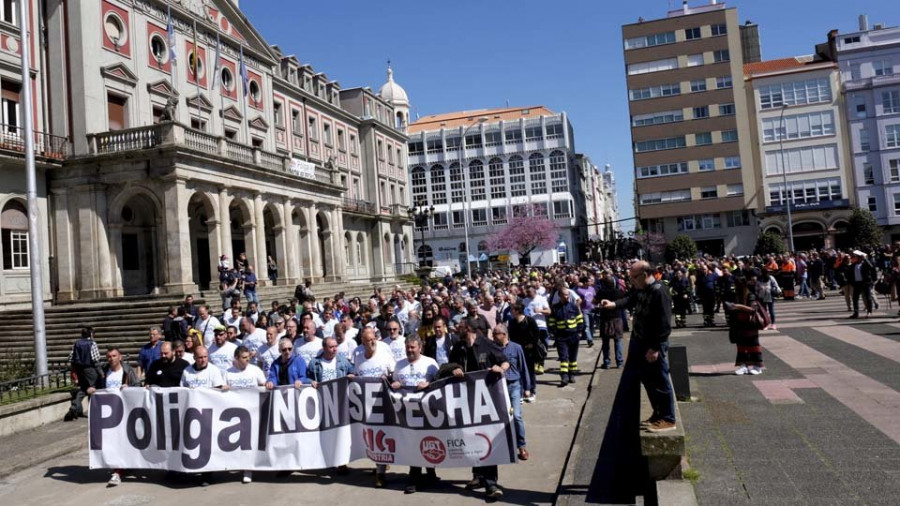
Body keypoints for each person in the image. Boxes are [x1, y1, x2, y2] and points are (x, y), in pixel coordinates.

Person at [600, 261, 677, 433]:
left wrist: (655, 348)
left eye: (633, 277)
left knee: (660, 380)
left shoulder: (659, 292)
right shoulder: (642, 289)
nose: (631, 281)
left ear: (644, 275)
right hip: (640, 341)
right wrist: (612, 304)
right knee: (648, 379)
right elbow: (630, 299)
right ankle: (658, 413)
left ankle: (668, 418)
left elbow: (664, 324)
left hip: (653, 344)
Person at [448, 325, 510, 500]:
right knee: (472, 438)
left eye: (460, 328)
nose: (457, 331)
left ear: (469, 330)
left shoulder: (486, 344)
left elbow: (505, 361)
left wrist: (501, 369)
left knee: (487, 438)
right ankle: (478, 476)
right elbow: (449, 364)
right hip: (466, 400)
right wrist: (454, 369)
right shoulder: (459, 347)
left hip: (487, 400)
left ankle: (491, 483)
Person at [390, 335, 440, 494]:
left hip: (427, 411)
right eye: (407, 347)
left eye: (412, 347)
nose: (409, 350)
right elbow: (394, 385)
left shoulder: (430, 363)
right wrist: (395, 385)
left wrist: (429, 384)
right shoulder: (399, 365)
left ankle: (431, 473)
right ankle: (414, 478)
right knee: (412, 444)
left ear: (420, 347)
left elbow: (440, 383)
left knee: (430, 441)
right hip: (407, 414)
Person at [88, 347, 140, 486]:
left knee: (125, 440)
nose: (111, 359)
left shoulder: (128, 371)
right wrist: (92, 389)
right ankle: (118, 469)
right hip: (109, 415)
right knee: (114, 441)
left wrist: (129, 388)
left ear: (120, 357)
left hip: (126, 412)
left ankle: (122, 468)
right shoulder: (104, 372)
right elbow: (96, 386)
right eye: (109, 356)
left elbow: (138, 387)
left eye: (114, 356)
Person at [353, 328, 396, 488]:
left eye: (373, 339)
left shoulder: (384, 356)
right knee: (372, 438)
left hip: (384, 403)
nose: (372, 342)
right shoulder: (358, 358)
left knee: (384, 437)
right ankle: (380, 468)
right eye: (368, 340)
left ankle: (381, 470)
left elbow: (395, 374)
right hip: (367, 406)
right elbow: (357, 377)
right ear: (363, 342)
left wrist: (389, 379)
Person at [223, 345, 267, 484]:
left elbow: (265, 385)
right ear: (236, 358)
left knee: (249, 442)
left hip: (253, 412)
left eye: (248, 357)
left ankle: (248, 470)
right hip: (234, 414)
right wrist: (223, 389)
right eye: (244, 358)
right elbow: (220, 389)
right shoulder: (228, 373)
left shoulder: (255, 370)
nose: (247, 360)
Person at [492, 324, 531, 461]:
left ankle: (522, 446)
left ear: (503, 334)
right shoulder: (493, 348)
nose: (493, 336)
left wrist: (527, 388)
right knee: (501, 418)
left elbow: (523, 367)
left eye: (495, 333)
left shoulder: (516, 348)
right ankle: (505, 446)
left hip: (514, 386)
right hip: (499, 387)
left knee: (516, 416)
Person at [726, 276, 766, 375]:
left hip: (750, 324)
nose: (735, 287)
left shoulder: (750, 295)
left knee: (753, 345)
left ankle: (757, 366)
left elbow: (753, 309)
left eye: (737, 285)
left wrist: (737, 306)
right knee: (741, 346)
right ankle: (743, 365)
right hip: (739, 324)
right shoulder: (736, 295)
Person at [548, 287, 584, 386]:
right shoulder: (555, 308)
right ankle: (564, 376)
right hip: (561, 337)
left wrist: (579, 332)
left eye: (568, 294)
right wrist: (555, 334)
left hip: (573, 336)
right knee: (563, 357)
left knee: (573, 358)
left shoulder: (574, 307)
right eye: (565, 294)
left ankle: (571, 375)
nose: (567, 296)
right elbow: (551, 323)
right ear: (560, 296)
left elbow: (580, 319)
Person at [65, 326, 103, 421]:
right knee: (94, 389)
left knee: (83, 389)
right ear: (90, 334)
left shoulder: (77, 343)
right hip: (90, 369)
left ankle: (74, 407)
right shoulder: (92, 344)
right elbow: (95, 360)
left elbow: (70, 357)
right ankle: (93, 412)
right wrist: (101, 372)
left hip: (80, 370)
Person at [507, 302, 541, 402]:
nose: (511, 311)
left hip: (529, 351)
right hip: (517, 351)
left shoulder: (530, 320)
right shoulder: (512, 322)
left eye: (512, 309)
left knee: (530, 371)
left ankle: (531, 391)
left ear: (517, 311)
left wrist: (531, 344)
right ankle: (520, 393)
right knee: (518, 372)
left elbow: (536, 334)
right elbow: (511, 337)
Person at [596, 276, 624, 369]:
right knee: (618, 340)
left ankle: (607, 362)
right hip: (617, 318)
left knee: (605, 341)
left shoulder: (601, 292)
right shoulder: (619, 292)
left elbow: (594, 302)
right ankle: (619, 362)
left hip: (605, 318)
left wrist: (600, 303)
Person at [849, 250, 876, 319]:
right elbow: (850, 274)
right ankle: (856, 313)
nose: (856, 258)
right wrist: (852, 282)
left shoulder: (865, 264)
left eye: (857, 257)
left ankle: (869, 311)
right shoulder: (853, 265)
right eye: (856, 257)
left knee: (868, 298)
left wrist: (866, 259)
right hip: (857, 284)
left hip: (865, 283)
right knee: (855, 298)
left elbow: (871, 267)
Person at [575, 277, 596, 347]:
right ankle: (589, 340)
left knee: (591, 325)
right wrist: (579, 310)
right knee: (587, 325)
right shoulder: (579, 290)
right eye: (589, 281)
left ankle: (591, 337)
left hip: (592, 309)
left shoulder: (592, 289)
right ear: (585, 283)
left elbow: (595, 297)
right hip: (585, 310)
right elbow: (577, 301)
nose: (590, 282)